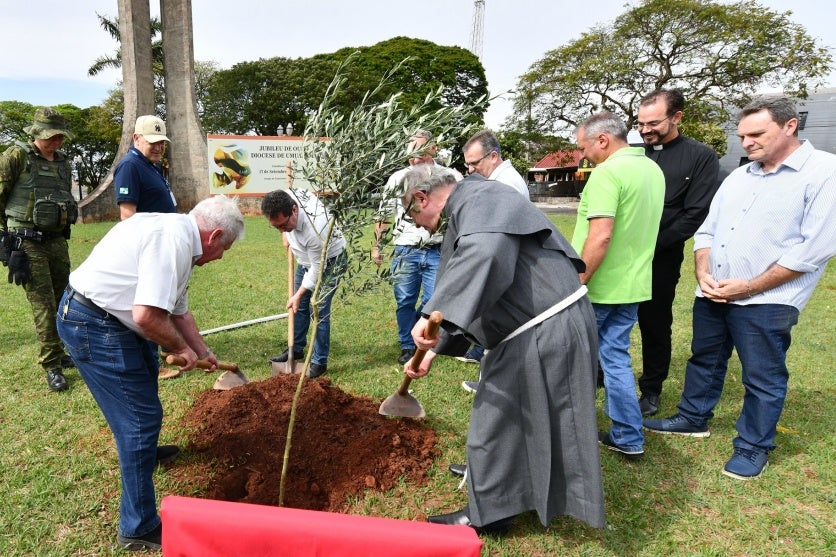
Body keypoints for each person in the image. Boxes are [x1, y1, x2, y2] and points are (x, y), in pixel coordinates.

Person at [402, 164, 605, 535]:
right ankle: (498, 486)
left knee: (493, 423)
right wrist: (434, 350)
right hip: (539, 327)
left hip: (546, 328)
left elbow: (486, 255)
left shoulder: (482, 198)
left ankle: (489, 514)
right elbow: (488, 283)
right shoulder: (477, 201)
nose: (416, 225)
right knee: (514, 418)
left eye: (411, 215)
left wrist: (434, 314)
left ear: (421, 197)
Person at [644, 95, 836, 480]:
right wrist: (703, 272)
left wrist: (747, 287)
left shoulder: (823, 173)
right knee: (705, 358)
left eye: (756, 134)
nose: (747, 143)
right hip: (715, 291)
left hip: (768, 298)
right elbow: (707, 229)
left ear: (789, 125)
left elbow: (812, 250)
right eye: (742, 135)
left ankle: (752, 447)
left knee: (762, 375)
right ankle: (693, 417)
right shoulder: (740, 175)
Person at [55, 195, 245, 550]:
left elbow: (179, 314)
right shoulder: (171, 240)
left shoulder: (181, 238)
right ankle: (137, 527)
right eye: (225, 249)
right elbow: (147, 316)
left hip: (115, 321)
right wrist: (181, 350)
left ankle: (145, 451)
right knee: (139, 418)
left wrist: (203, 351)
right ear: (215, 235)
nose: (220, 258)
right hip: (95, 323)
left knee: (142, 394)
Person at [571, 111, 665, 460]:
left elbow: (601, 234)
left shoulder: (608, 173)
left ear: (603, 140)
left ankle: (566, 431)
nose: (582, 155)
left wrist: (579, 281)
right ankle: (628, 435)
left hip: (597, 288)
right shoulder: (651, 169)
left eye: (584, 147)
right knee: (615, 359)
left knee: (570, 360)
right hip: (634, 285)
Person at [634, 89, 721, 417]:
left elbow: (695, 213)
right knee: (608, 316)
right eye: (641, 123)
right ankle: (599, 373)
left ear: (677, 117)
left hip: (661, 256)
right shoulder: (634, 154)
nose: (645, 130)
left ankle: (651, 389)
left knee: (654, 323)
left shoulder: (700, 156)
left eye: (653, 123)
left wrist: (649, 246)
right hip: (621, 254)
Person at [0, 107, 78, 392]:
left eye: (60, 137)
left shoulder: (63, 162)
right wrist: (6, 239)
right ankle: (52, 365)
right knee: (42, 303)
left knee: (63, 300)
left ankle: (62, 353)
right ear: (36, 133)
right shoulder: (16, 156)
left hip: (57, 240)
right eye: (51, 136)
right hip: (27, 241)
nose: (56, 142)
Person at [371, 130, 462, 365]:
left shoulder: (449, 176)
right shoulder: (397, 178)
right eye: (410, 153)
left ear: (433, 148)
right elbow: (383, 215)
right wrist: (377, 246)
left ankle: (424, 338)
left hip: (438, 249)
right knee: (404, 300)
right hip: (406, 250)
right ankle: (406, 345)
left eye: (419, 151)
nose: (413, 158)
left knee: (434, 300)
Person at [455, 130, 531, 371]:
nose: (470, 170)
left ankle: (492, 380)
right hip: (504, 263)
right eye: (467, 165)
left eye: (474, 163)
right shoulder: (498, 180)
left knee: (501, 328)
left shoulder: (506, 183)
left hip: (505, 265)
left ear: (494, 156)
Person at [264, 188, 347, 378]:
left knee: (318, 310)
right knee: (299, 308)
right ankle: (297, 349)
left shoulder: (315, 228)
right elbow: (303, 191)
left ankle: (319, 361)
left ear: (294, 210)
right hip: (305, 259)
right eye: (276, 227)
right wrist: (285, 233)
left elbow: (317, 271)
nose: (281, 229)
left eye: (284, 225)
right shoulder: (286, 197)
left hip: (330, 261)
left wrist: (298, 293)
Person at [114, 115, 176, 219]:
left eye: (161, 142)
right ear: (136, 138)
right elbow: (127, 217)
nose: (158, 148)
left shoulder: (150, 165)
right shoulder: (129, 166)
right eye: (152, 142)